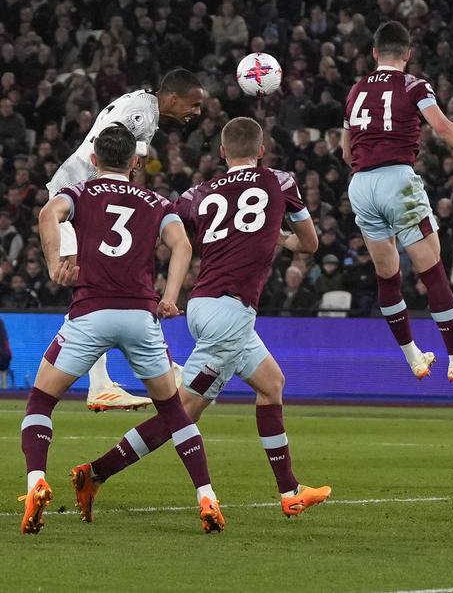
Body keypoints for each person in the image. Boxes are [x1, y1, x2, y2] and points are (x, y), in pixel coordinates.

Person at [71, 117, 331, 522]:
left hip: (206, 304)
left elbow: (164, 230)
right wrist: (279, 236)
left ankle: (290, 491)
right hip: (231, 312)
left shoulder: (198, 193)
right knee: (183, 411)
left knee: (271, 384)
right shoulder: (280, 182)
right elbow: (310, 244)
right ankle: (96, 472)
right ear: (262, 151)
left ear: (222, 153)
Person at [22, 125, 220, 534]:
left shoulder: (79, 192)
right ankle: (207, 496)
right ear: (135, 162)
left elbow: (47, 214)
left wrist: (55, 264)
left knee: (40, 401)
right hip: (139, 316)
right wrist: (170, 296)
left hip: (90, 312)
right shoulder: (156, 201)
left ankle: (36, 482)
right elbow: (182, 245)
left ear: (94, 160)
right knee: (174, 411)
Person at [343, 21, 453, 381]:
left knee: (387, 275)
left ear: (374, 52)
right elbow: (442, 128)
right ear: (408, 53)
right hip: (397, 179)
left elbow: (346, 151)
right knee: (432, 269)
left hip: (360, 184)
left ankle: (414, 357)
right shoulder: (414, 85)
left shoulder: (355, 89)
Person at [46, 68, 205, 412]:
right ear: (173, 98)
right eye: (193, 104)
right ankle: (102, 384)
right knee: (96, 284)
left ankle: (114, 379)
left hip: (88, 198)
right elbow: (109, 148)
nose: (197, 112)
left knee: (101, 285)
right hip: (80, 199)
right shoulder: (140, 114)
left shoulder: (145, 109)